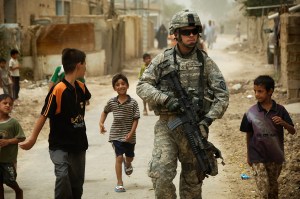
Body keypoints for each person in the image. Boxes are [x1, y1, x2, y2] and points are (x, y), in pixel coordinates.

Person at [136, 9, 229, 198]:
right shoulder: (163, 59)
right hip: (167, 126)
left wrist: (207, 120)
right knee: (161, 175)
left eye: (195, 31)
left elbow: (222, 95)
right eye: (186, 32)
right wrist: (165, 99)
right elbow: (142, 86)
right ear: (176, 33)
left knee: (192, 183)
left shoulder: (205, 62)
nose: (192, 35)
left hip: (195, 129)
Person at [19, 48, 91, 199]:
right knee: (63, 175)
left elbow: (82, 104)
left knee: (76, 186)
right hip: (59, 146)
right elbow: (44, 115)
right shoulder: (58, 90)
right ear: (79, 65)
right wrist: (32, 139)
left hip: (79, 145)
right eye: (85, 64)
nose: (86, 67)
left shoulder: (81, 87)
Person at [240, 75, 295, 199]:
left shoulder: (280, 110)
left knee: (273, 189)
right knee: (264, 189)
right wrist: (249, 155)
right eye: (255, 91)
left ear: (270, 91)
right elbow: (248, 134)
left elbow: (292, 131)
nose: (256, 94)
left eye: (260, 91)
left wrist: (284, 123)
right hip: (257, 156)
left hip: (275, 156)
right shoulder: (251, 113)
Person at [99, 73, 140, 193]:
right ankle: (119, 183)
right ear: (114, 88)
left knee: (130, 157)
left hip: (129, 136)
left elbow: (135, 119)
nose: (120, 86)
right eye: (117, 85)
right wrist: (101, 123)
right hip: (116, 134)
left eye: (123, 84)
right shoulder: (112, 102)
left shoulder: (133, 103)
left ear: (127, 86)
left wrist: (131, 133)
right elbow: (105, 112)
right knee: (118, 157)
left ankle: (127, 164)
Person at [0, 94, 25, 199]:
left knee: (10, 181)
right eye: (4, 103)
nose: (8, 105)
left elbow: (21, 137)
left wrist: (8, 141)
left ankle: (18, 191)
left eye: (10, 104)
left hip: (8, 160)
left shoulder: (13, 123)